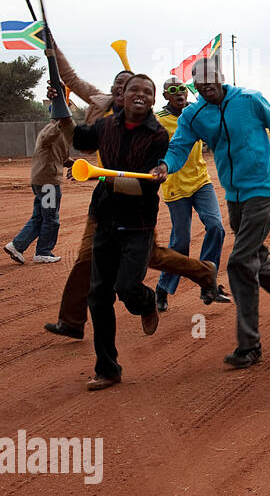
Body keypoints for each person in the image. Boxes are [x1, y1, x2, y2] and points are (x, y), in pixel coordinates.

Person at [156, 56, 270, 368]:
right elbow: (178, 148)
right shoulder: (194, 114)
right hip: (234, 196)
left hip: (264, 190)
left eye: (211, 81)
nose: (206, 87)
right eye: (200, 84)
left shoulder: (249, 100)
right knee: (255, 259)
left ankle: (249, 345)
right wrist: (165, 165)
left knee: (240, 262)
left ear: (221, 77)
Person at [42, 53, 215, 340]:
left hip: (137, 207)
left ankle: (202, 271)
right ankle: (72, 320)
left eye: (131, 87)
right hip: (104, 203)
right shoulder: (103, 108)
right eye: (119, 87)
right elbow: (70, 81)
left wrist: (96, 173)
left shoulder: (152, 130)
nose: (123, 91)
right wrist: (56, 76)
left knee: (152, 256)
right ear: (114, 92)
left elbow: (142, 177)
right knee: (87, 259)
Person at [73, 74, 169, 390]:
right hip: (106, 219)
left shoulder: (158, 135)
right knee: (99, 296)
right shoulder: (105, 126)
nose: (140, 95)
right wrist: (59, 107)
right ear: (122, 96)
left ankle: (147, 301)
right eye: (133, 90)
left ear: (153, 100)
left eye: (146, 91)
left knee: (127, 287)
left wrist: (106, 178)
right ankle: (108, 368)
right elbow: (77, 138)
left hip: (138, 224)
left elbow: (140, 188)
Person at [154, 77, 231, 311]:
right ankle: (162, 288)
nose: (180, 93)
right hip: (175, 186)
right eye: (173, 90)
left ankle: (207, 282)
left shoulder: (197, 113)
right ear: (166, 96)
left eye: (183, 89)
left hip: (200, 181)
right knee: (181, 242)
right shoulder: (158, 121)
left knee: (216, 227)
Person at [5, 84, 74, 265]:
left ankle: (17, 246)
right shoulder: (50, 131)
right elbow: (47, 139)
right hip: (48, 183)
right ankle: (43, 251)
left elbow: (62, 157)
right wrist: (61, 120)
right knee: (51, 217)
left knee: (40, 216)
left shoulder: (60, 136)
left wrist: (74, 164)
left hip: (43, 181)